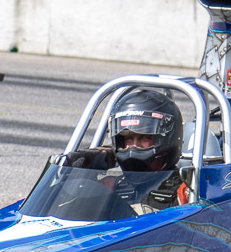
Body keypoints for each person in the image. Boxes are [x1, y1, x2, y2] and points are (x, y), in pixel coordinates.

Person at [61, 89, 191, 212]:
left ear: (167, 139)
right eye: (128, 139)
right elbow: (66, 210)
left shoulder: (186, 190)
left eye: (144, 137)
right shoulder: (112, 185)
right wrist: (88, 162)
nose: (133, 146)